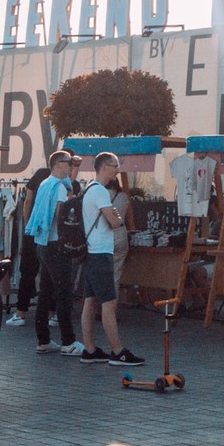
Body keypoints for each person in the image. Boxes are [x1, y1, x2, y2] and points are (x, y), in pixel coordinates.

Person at [73, 152, 144, 367]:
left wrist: (114, 215)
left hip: (91, 252)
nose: (117, 169)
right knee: (108, 303)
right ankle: (117, 351)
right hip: (101, 253)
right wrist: (115, 215)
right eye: (114, 165)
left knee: (90, 301)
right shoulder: (101, 192)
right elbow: (115, 222)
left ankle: (90, 349)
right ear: (103, 167)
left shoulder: (90, 190)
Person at [23, 151, 82, 354]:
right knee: (64, 293)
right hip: (57, 243)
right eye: (69, 163)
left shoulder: (45, 183)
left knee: (45, 293)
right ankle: (68, 341)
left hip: (43, 243)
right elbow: (61, 213)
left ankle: (44, 340)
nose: (71, 166)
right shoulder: (57, 187)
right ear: (58, 164)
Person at [7, 165, 50, 326]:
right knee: (48, 274)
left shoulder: (40, 176)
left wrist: (27, 226)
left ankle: (21, 312)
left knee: (27, 272)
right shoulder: (61, 181)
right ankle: (50, 313)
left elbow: (28, 201)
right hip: (46, 233)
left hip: (34, 230)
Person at [108, 172, 134, 285]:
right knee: (116, 275)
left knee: (102, 275)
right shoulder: (123, 196)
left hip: (107, 236)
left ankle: (101, 302)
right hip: (121, 236)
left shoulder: (103, 195)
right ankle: (113, 301)